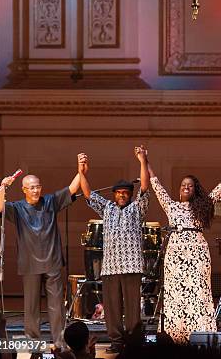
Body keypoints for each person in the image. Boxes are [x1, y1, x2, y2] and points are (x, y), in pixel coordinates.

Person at [147, 150, 221, 344]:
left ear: (195, 189)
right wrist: (145, 161)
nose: (186, 187)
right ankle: (175, 335)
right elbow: (156, 184)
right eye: (183, 185)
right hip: (175, 254)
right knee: (175, 294)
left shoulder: (203, 205)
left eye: (190, 186)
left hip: (197, 253)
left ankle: (198, 333)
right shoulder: (171, 205)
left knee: (198, 292)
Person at [0, 154, 85, 347]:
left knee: (56, 306)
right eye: (31, 187)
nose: (35, 190)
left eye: (38, 186)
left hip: (52, 261)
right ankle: (33, 342)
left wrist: (80, 170)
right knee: (31, 307)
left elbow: (72, 188)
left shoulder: (50, 201)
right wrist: (3, 187)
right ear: (24, 189)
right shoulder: (17, 208)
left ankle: (60, 341)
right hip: (29, 263)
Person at [79, 146, 150, 353]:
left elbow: (145, 187)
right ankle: (117, 341)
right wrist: (82, 172)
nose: (122, 195)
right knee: (112, 309)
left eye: (126, 193)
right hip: (110, 267)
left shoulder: (137, 208)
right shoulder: (107, 208)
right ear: (114, 194)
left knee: (132, 309)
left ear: (130, 194)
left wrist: (142, 161)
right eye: (119, 192)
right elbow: (88, 194)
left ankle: (134, 342)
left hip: (131, 266)